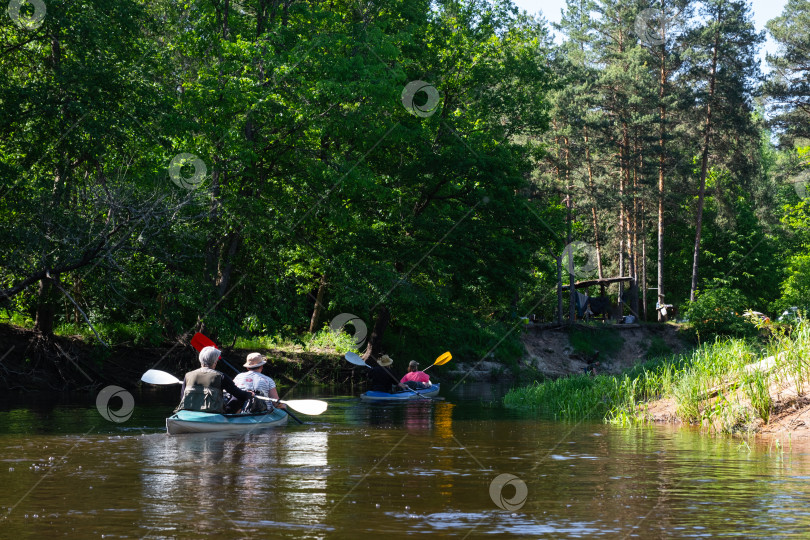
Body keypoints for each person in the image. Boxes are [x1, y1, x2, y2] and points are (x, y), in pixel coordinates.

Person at [175, 346, 253, 414]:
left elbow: (183, 397)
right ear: (215, 362)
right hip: (213, 412)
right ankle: (229, 418)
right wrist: (249, 394)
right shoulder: (221, 376)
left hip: (189, 411)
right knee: (238, 398)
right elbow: (239, 394)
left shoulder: (188, 375)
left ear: (200, 360)